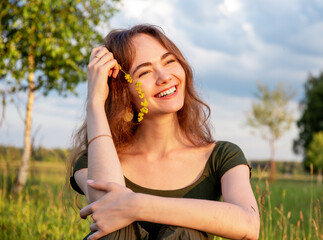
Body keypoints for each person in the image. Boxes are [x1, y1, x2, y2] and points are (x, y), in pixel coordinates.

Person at [69, 24, 260, 240]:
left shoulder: (221, 156)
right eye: (145, 72)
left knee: (187, 233)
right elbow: (107, 212)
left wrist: (136, 204)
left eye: (169, 61)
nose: (165, 77)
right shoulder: (93, 162)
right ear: (123, 92)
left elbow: (249, 225)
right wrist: (95, 103)